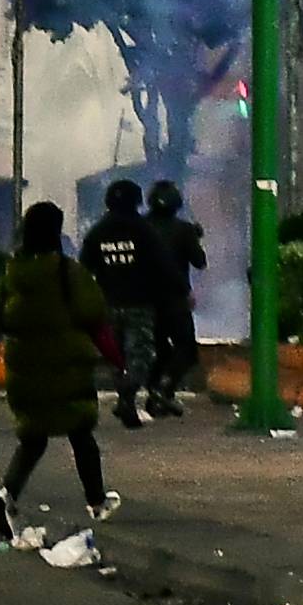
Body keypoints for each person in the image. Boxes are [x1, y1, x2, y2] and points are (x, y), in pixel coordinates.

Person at [0, 199, 118, 539]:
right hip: (66, 370)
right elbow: (93, 312)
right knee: (81, 435)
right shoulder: (67, 272)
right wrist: (115, 358)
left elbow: (3, 315)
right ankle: (96, 500)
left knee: (33, 440)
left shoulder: (13, 273)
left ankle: (6, 495)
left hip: (26, 371)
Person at [79, 178, 172, 429]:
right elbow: (162, 266)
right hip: (140, 303)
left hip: (108, 303)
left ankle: (125, 399)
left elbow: (84, 268)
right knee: (140, 356)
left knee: (117, 357)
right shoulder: (144, 231)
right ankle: (128, 396)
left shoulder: (97, 232)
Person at [144, 179, 207, 415]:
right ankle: (165, 388)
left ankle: (156, 392)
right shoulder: (183, 230)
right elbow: (200, 262)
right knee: (187, 351)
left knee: (159, 349)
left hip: (146, 298)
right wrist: (195, 238)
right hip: (175, 299)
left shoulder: (140, 227)